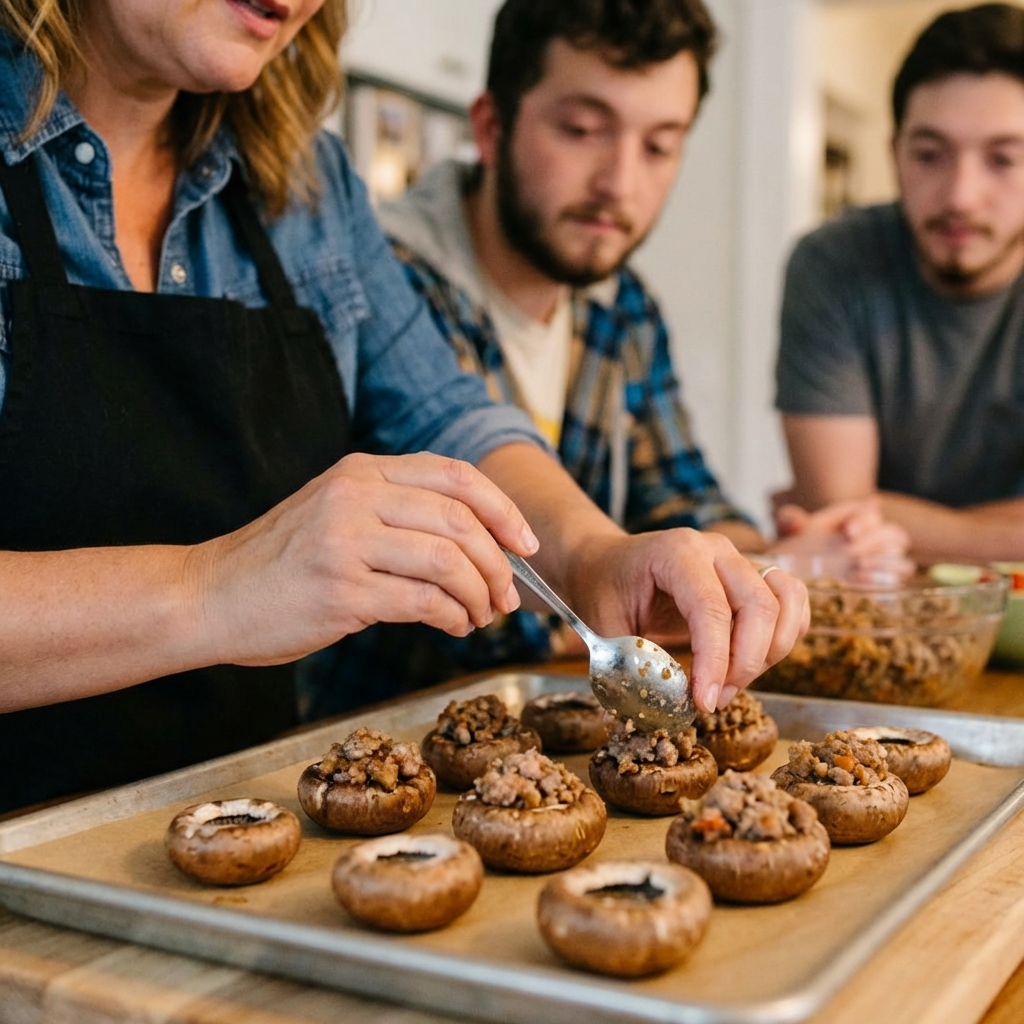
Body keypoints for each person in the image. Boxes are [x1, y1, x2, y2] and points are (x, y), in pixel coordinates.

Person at [0, 0, 808, 815]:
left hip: (238, 823)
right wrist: (214, 589)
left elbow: (446, 416)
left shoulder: (309, 186)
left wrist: (594, 557)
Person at [295, 0, 904, 721]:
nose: (620, 182)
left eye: (659, 145)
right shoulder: (382, 274)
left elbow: (684, 502)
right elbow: (491, 621)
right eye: (583, 130)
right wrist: (631, 576)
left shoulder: (624, 309)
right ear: (490, 127)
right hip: (387, 741)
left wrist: (769, 564)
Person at [777, 2, 1024, 562]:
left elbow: (844, 516)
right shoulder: (833, 263)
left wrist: (881, 512)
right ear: (894, 156)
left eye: (1002, 159)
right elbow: (836, 517)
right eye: (930, 154)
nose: (960, 194)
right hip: (883, 614)